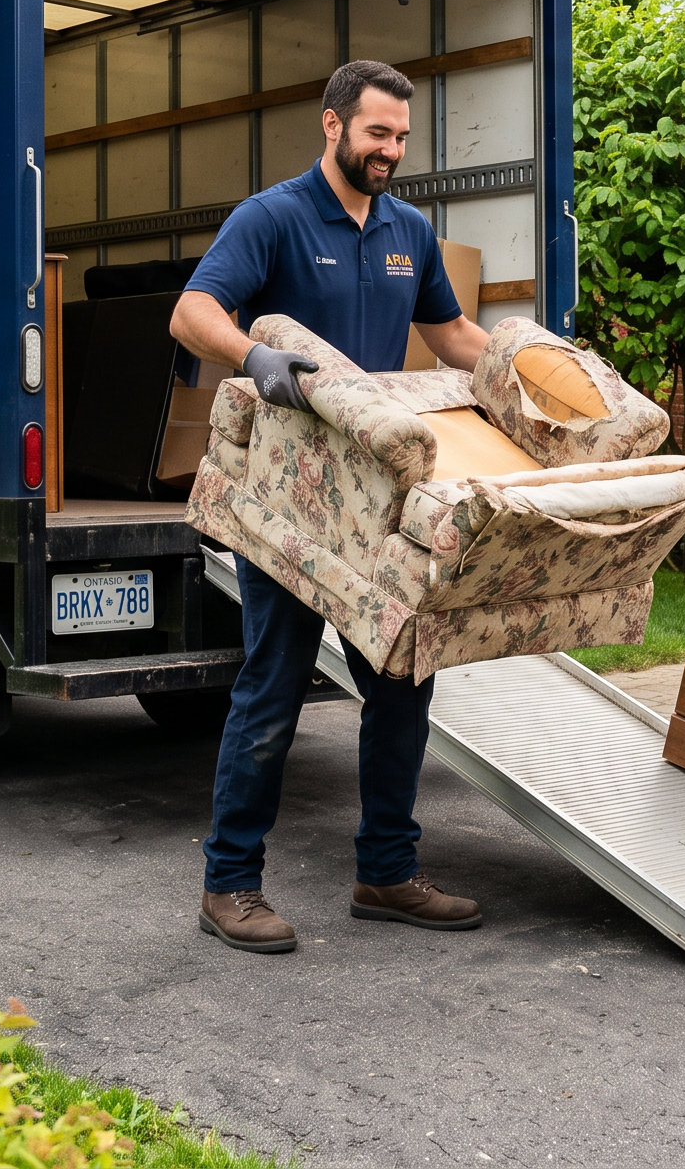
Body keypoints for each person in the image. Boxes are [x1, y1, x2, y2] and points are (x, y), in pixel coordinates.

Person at [168, 58, 494, 953]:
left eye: (401, 137)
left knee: (402, 680)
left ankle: (386, 873)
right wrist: (251, 357)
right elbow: (192, 311)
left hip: (378, 501)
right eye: (376, 134)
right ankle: (229, 884)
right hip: (289, 504)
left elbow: (452, 333)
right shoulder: (272, 217)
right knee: (273, 688)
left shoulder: (408, 229)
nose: (390, 151)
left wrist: (525, 375)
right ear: (332, 124)